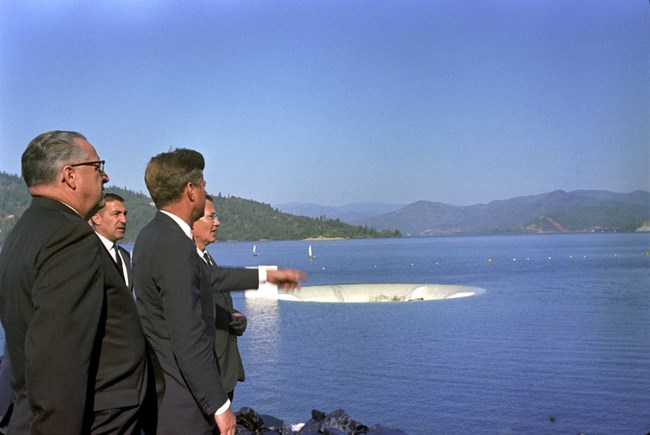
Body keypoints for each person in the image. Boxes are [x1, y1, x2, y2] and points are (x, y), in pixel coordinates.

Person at [0, 131, 153, 434]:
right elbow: (58, 357)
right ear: (70, 176)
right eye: (97, 167)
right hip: (95, 418)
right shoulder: (70, 236)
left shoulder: (21, 235)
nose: (105, 177)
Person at [193, 195, 306, 401]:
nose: (217, 222)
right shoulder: (190, 262)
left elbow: (211, 302)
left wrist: (233, 317)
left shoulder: (207, 257)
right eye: (211, 217)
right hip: (210, 375)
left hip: (224, 372)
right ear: (193, 222)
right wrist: (267, 276)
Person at [90, 192, 131, 288]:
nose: (123, 220)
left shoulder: (125, 255)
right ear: (96, 218)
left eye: (124, 214)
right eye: (116, 214)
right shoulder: (89, 253)